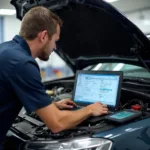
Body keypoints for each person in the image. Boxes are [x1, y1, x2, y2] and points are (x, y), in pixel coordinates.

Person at [0, 6, 108, 149]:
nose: (55, 47)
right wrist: (89, 110)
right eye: (55, 40)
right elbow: (57, 124)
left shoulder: (6, 49)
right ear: (44, 36)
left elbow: (11, 93)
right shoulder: (23, 64)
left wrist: (51, 106)